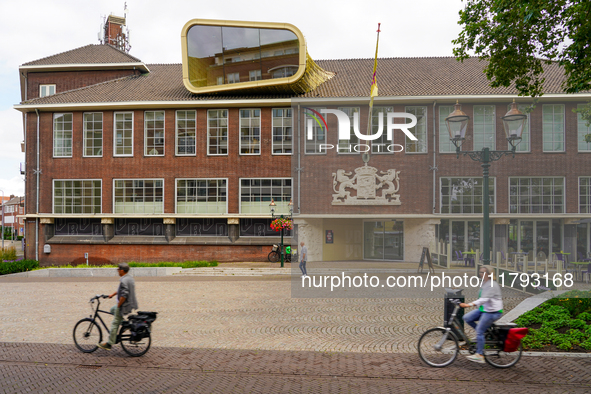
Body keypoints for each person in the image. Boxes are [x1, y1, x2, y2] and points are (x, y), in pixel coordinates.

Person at [459, 265, 503, 363]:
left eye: (483, 272)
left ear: (489, 274)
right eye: (480, 272)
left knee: (479, 330)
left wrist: (469, 305)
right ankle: (482, 333)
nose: (481, 274)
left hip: (493, 312)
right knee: (466, 317)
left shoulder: (492, 285)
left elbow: (484, 299)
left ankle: (480, 355)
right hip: (484, 309)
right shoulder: (484, 283)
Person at [98, 263, 138, 350]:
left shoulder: (123, 281)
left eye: (118, 270)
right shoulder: (129, 278)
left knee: (114, 324)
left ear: (122, 271)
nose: (117, 271)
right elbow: (121, 290)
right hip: (129, 303)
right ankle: (124, 324)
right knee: (112, 309)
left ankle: (109, 343)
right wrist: (112, 294)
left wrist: (119, 305)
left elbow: (124, 294)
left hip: (123, 305)